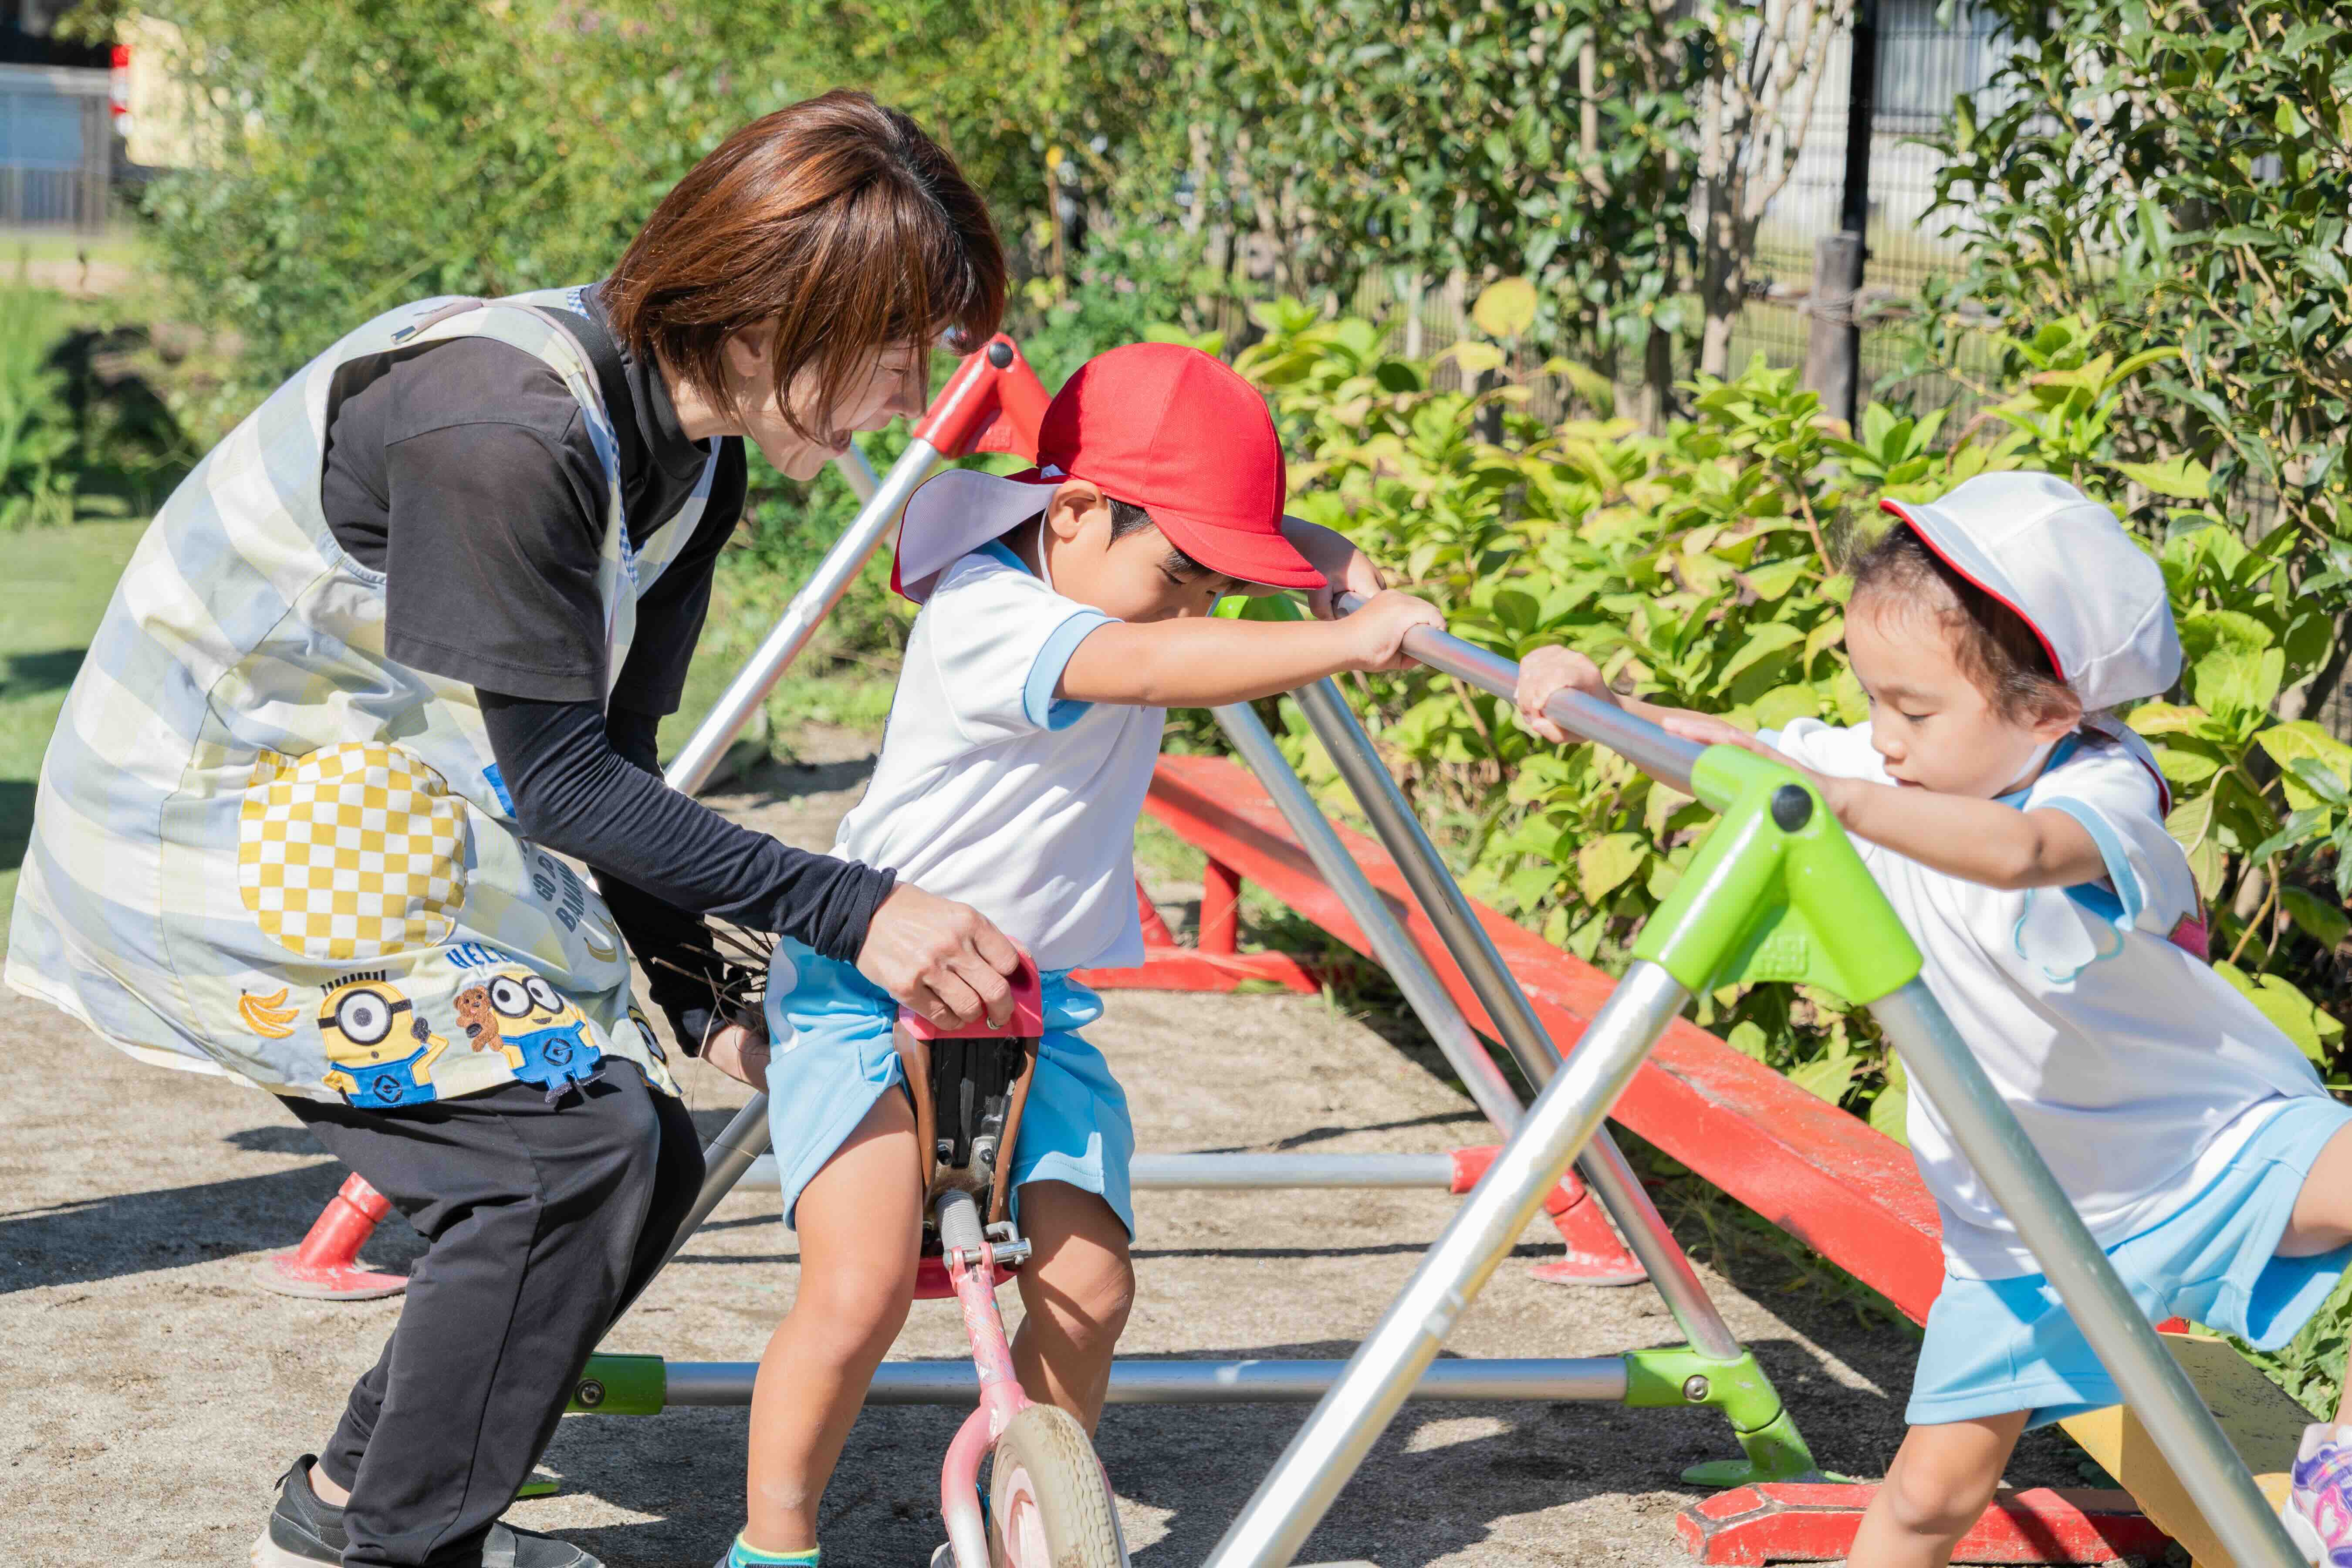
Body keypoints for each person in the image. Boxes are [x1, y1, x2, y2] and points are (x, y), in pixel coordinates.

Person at [6, 93, 1030, 1568]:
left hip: (359, 819)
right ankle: (396, 1553)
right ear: (769, 305)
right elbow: (557, 791)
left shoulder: (695, 458)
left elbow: (616, 763)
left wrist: (704, 997)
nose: (915, 390)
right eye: (897, 343)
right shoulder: (509, 427)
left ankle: (356, 1511)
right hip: (208, 833)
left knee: (636, 1154)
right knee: (561, 1155)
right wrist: (858, 907)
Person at [1511, 471, 2352, 1567]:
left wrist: (1853, 803)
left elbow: (2021, 856)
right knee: (1925, 1504)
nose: (1881, 736)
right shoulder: (1883, 766)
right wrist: (1602, 704)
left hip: (2205, 1145)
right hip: (2021, 1219)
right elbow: (1729, 748)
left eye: (1911, 710)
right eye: (1870, 700)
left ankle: (2337, 1474)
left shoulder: (2105, 787)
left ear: (2049, 713)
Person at [708, 341, 1439, 1568]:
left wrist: (1322, 559)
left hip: (1030, 1004)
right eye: (1186, 575)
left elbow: (1177, 588)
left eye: (1218, 581)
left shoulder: (1103, 556)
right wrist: (1349, 639)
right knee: (862, 1288)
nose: (1201, 604)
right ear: (1081, 514)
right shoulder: (990, 616)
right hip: (866, 983)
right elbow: (1153, 664)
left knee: (1092, 1286)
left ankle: (1028, 1523)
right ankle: (773, 1543)